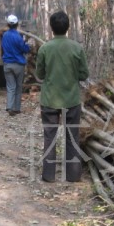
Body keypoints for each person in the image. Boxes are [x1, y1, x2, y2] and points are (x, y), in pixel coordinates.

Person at [35, 10, 89, 183]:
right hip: (71, 100)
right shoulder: (76, 48)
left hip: (49, 99)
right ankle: (73, 175)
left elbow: (40, 74)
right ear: (68, 27)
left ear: (51, 28)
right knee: (72, 136)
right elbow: (84, 74)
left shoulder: (45, 48)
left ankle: (48, 175)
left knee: (49, 136)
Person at [1, 14, 30, 116]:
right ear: (17, 24)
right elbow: (25, 49)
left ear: (8, 24)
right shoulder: (18, 37)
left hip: (8, 64)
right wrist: (27, 45)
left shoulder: (4, 35)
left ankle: (9, 107)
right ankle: (17, 108)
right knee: (18, 87)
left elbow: (2, 48)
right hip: (19, 65)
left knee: (10, 87)